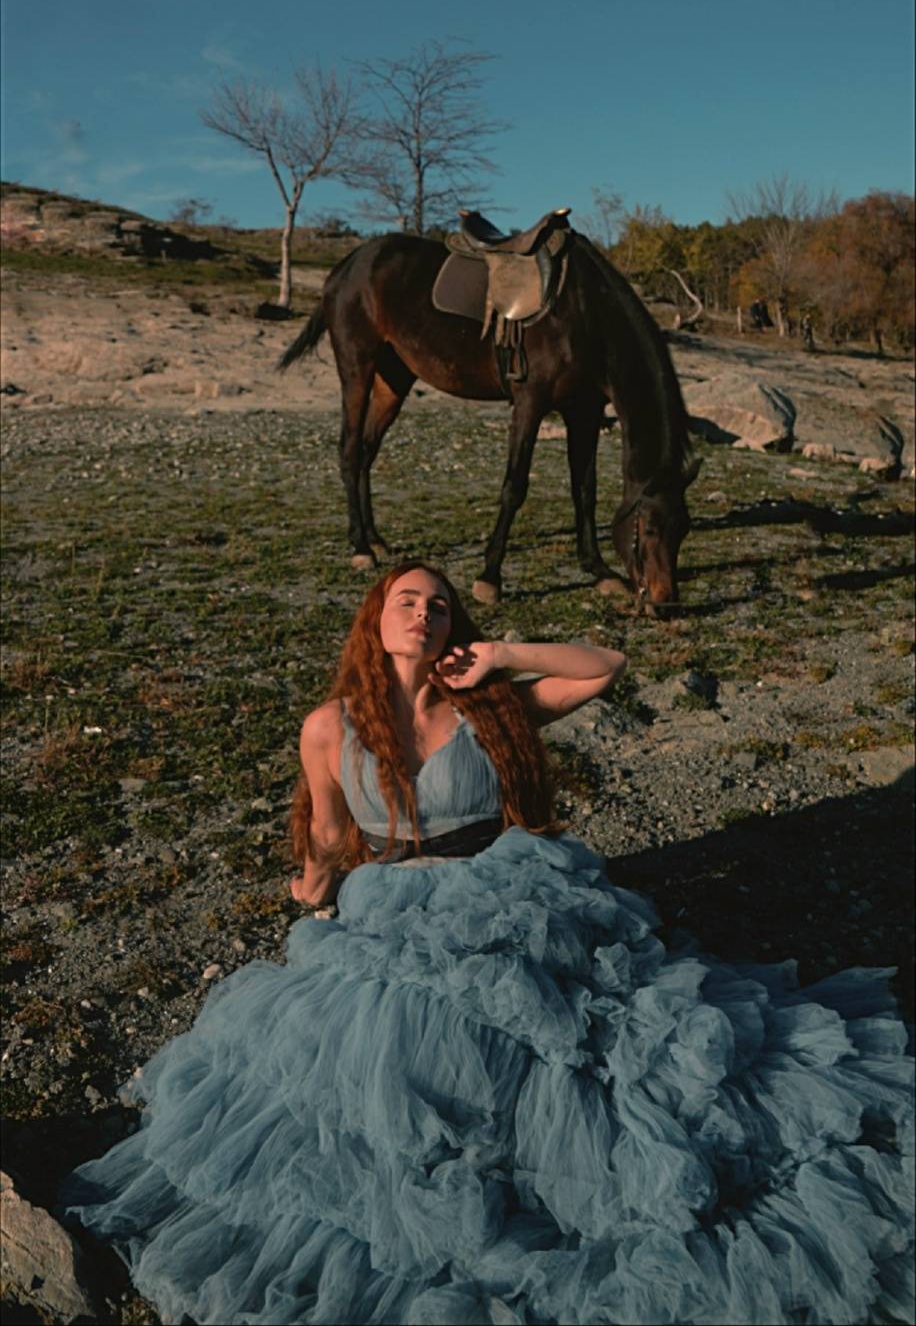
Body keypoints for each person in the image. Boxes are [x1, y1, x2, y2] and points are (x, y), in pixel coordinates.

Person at [59, 563, 914, 1326]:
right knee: (382, 1052)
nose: (423, 614)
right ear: (375, 620)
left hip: (505, 896)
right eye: (406, 601)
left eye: (439, 606)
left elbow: (606, 666)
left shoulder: (490, 707)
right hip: (389, 904)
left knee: (561, 1040)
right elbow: (326, 829)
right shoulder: (329, 725)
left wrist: (500, 654)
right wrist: (312, 885)